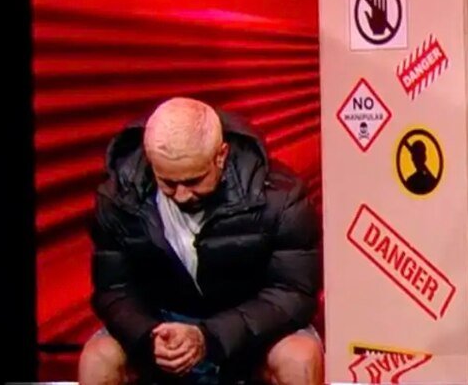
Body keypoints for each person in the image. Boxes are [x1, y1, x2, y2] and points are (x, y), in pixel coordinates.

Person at [78, 97, 324, 385]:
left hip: (249, 331)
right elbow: (114, 289)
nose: (182, 195)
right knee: (98, 358)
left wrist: (210, 336)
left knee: (299, 358)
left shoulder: (280, 198)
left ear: (221, 155)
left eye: (194, 181)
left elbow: (293, 293)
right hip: (160, 327)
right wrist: (148, 335)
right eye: (168, 182)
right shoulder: (118, 197)